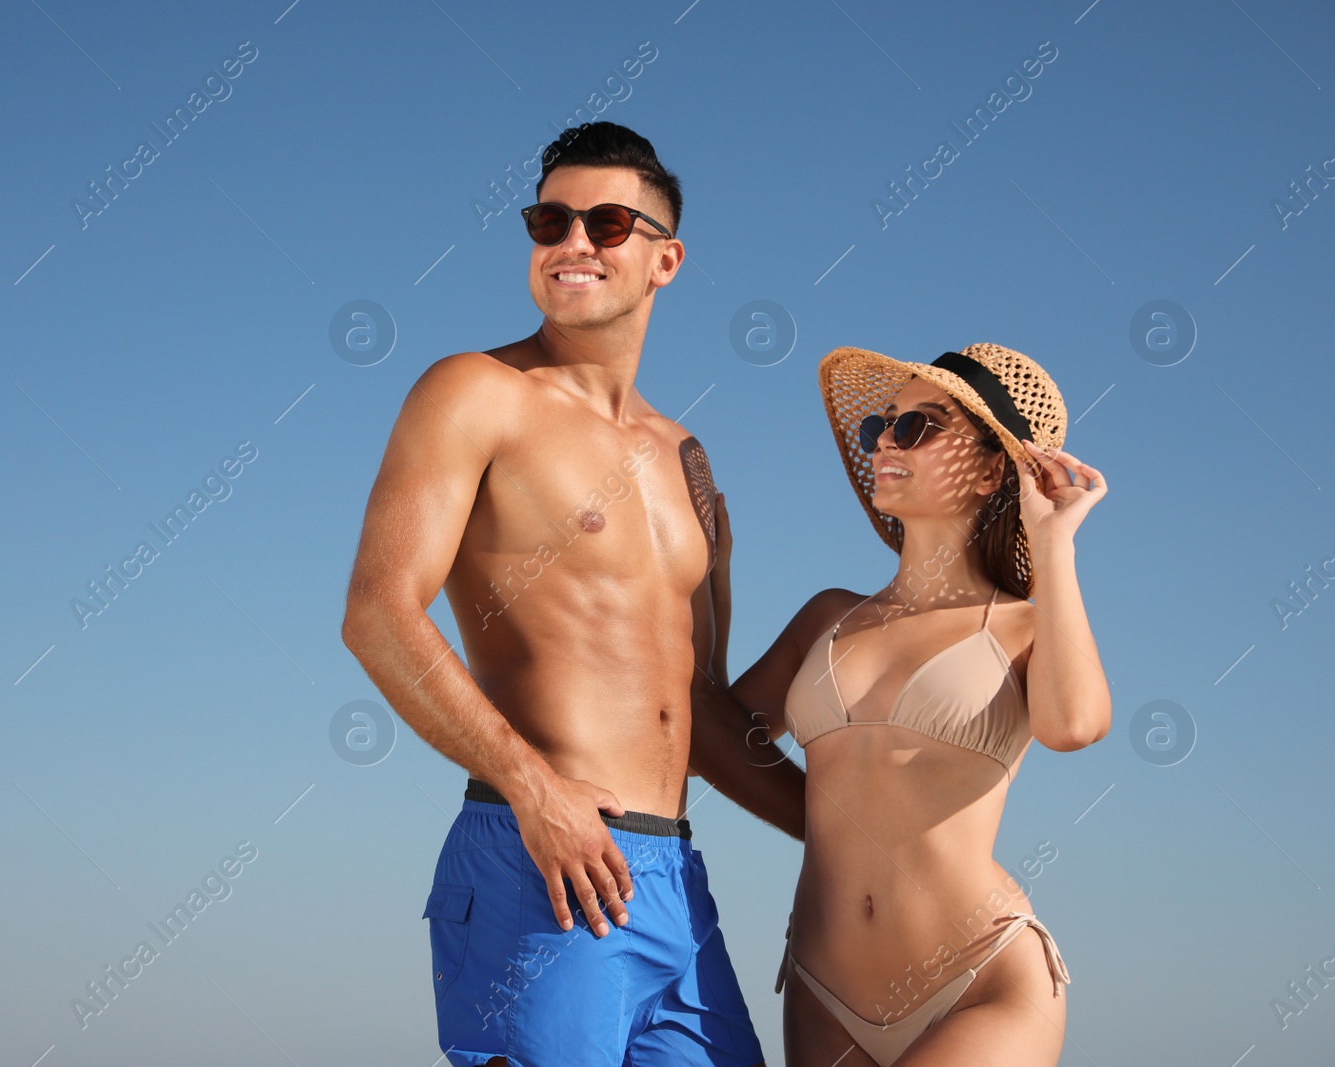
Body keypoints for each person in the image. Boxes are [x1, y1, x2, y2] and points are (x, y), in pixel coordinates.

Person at [341, 121, 803, 1067]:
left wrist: (864, 842)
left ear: (665, 260)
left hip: (674, 878)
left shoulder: (690, 464)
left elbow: (703, 718)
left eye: (606, 223)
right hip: (540, 858)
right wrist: (533, 789)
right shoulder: (477, 391)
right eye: (550, 220)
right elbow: (379, 613)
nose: (573, 243)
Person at [699, 343, 1110, 1065]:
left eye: (918, 426)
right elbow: (714, 740)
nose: (885, 440)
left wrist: (1055, 543)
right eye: (879, 427)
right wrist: (713, 585)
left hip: (980, 977)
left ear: (991, 469)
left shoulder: (1023, 624)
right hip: (824, 992)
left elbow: (1073, 726)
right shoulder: (827, 616)